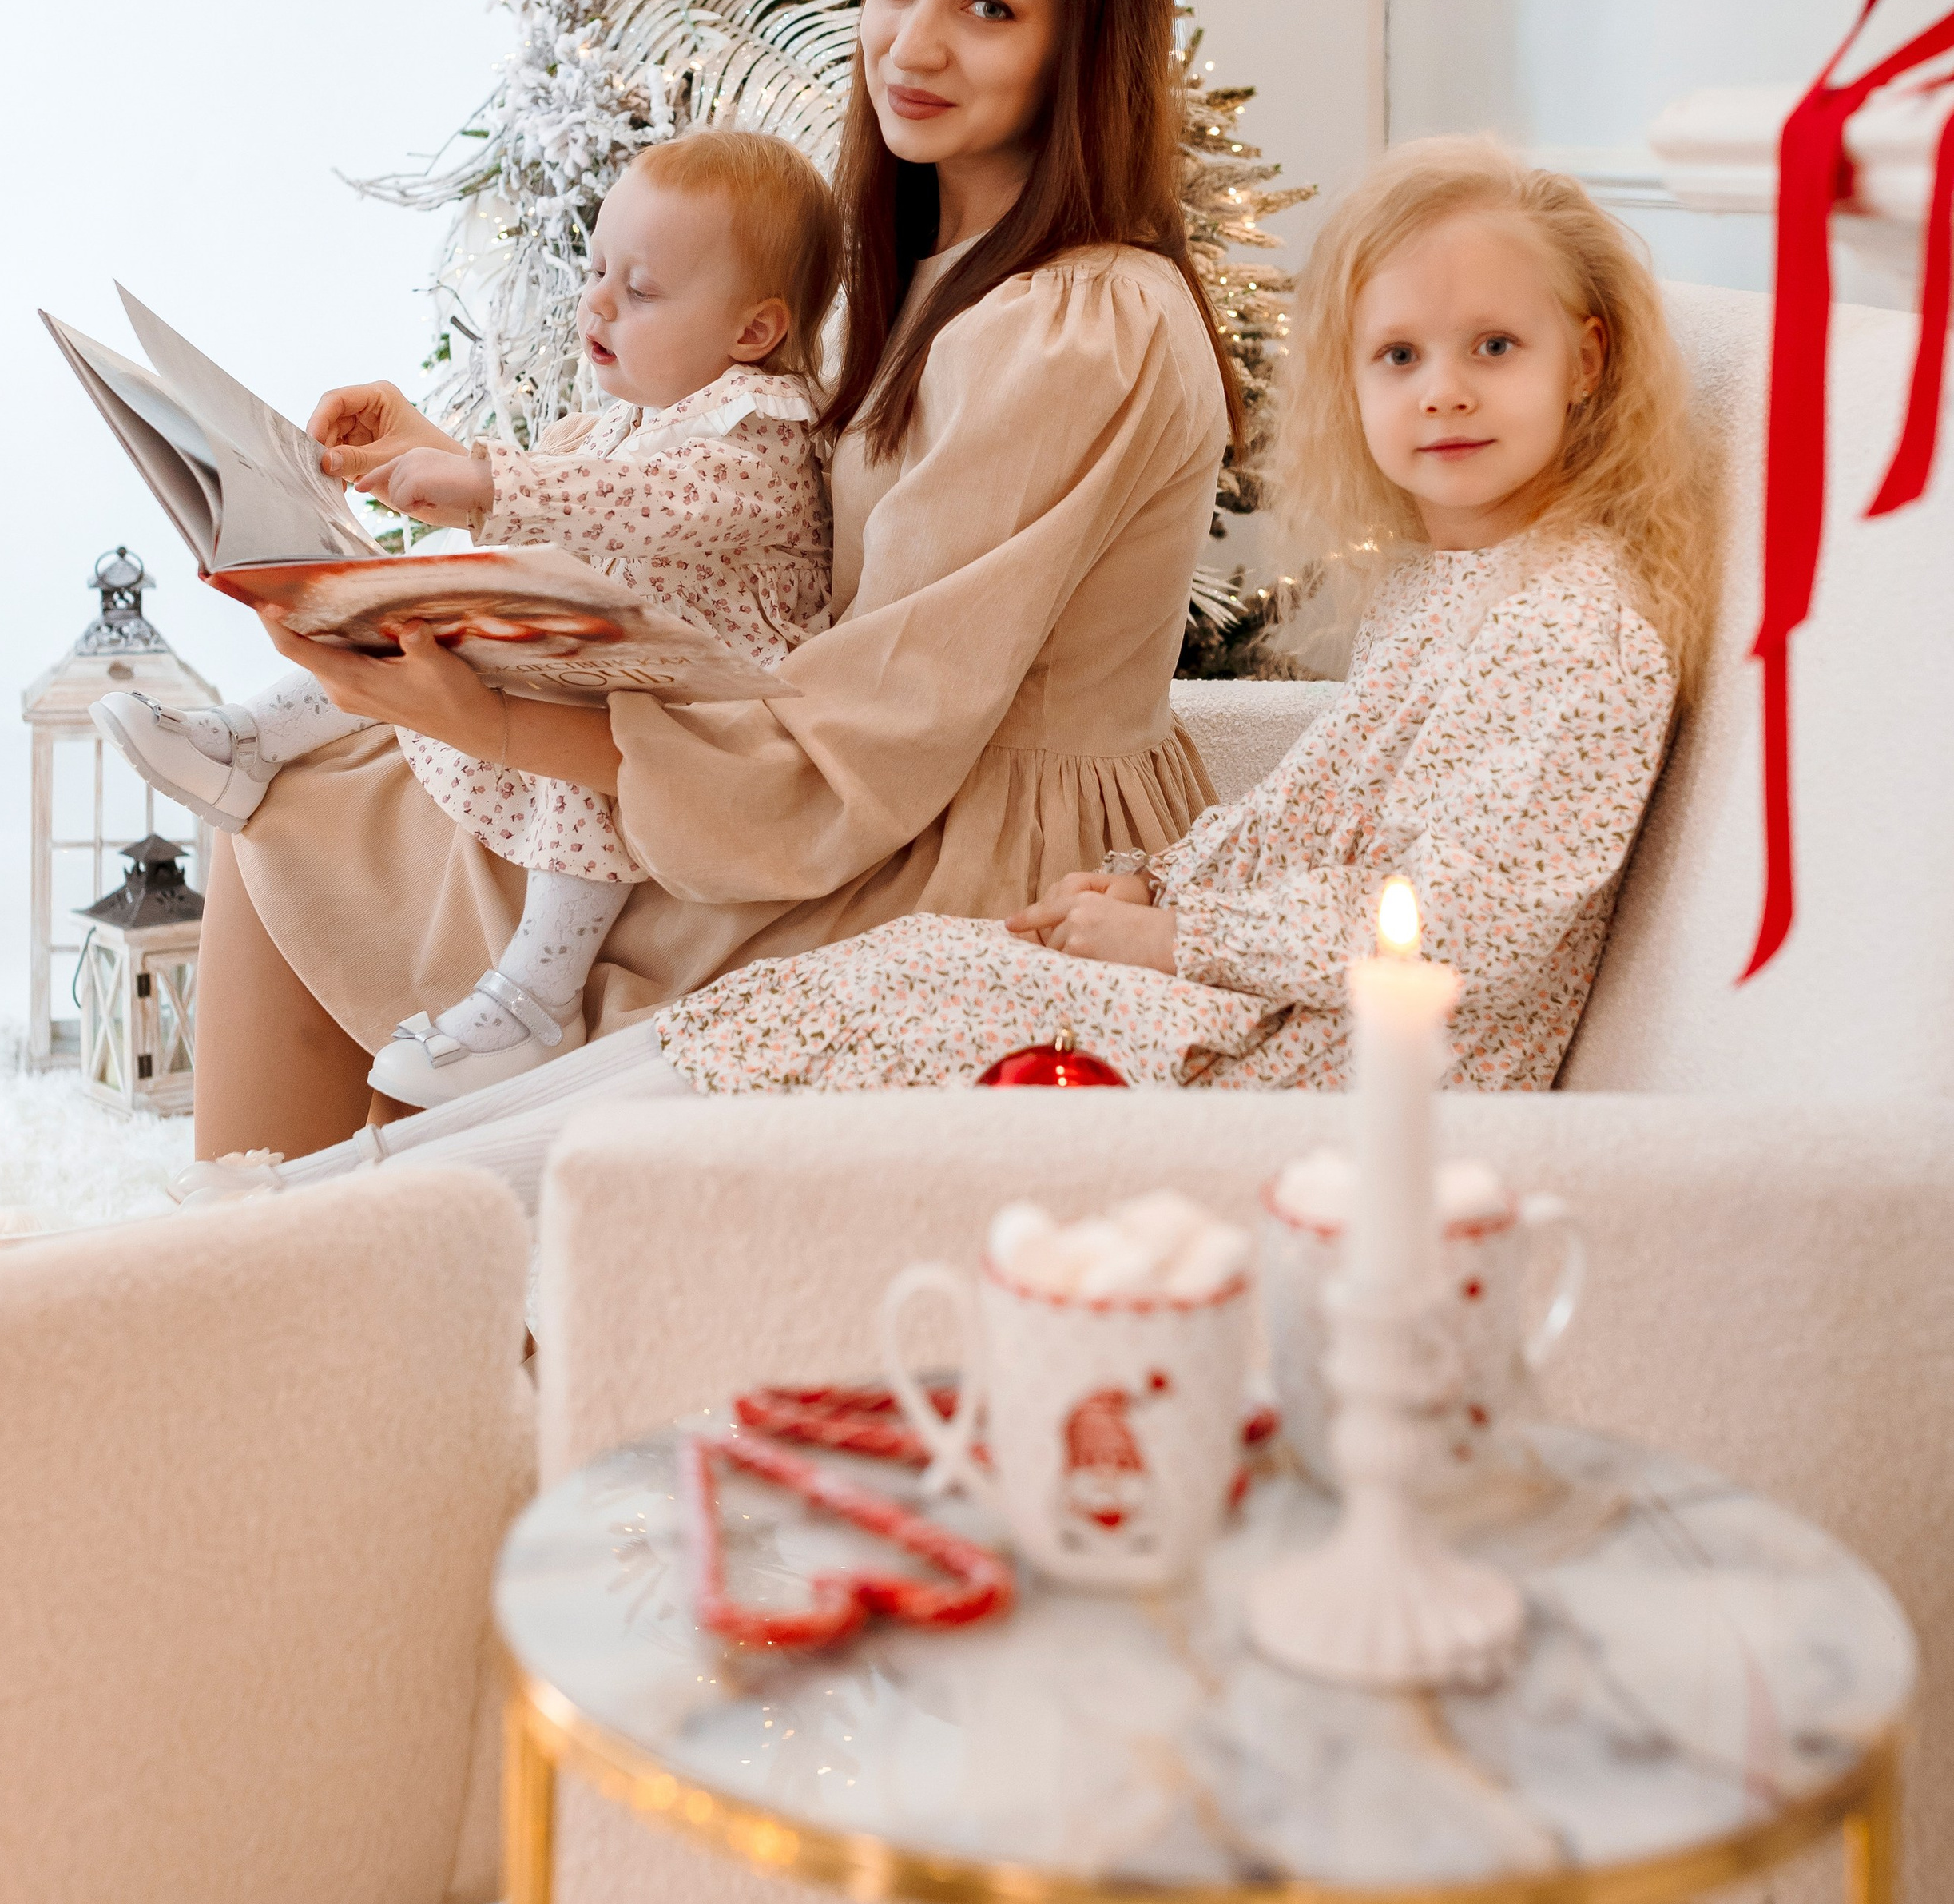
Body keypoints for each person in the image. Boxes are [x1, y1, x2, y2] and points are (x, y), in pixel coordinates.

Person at [232, 136, 1704, 1213]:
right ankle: (360, 1198)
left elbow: (1467, 925)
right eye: (1400, 356)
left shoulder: (1576, 629)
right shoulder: (1463, 595)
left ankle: (355, 1218)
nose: (1441, 388)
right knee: (862, 989)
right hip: (1247, 1010)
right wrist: (1154, 890)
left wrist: (1178, 943)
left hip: (1310, 1084)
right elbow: (1339, 835)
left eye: (1490, 347)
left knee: (874, 1000)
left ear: (1582, 360)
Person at [189, 0, 1241, 1163]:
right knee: (317, 797)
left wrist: (498, 722)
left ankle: (270, 1293)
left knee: (328, 822)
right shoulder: (929, 270)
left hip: (954, 853)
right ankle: (255, 1280)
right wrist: (447, 467)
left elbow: (866, 741)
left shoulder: (1077, 328)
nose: (911, 46)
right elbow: (729, 514)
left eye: (987, 9)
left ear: (1080, 48)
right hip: (854, 778)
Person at [102, 133, 837, 1107]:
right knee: (423, 604)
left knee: (576, 738)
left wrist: (484, 482)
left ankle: (538, 996)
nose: (599, 303)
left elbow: (639, 502)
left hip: (704, 723)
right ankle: (250, 739)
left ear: (752, 333)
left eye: (643, 290)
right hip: (619, 664)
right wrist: (436, 464)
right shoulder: (637, 413)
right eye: (596, 271)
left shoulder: (758, 434)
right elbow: (581, 489)